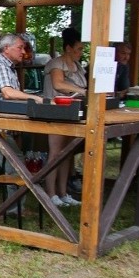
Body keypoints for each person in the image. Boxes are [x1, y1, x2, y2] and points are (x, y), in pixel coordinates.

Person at [0, 34, 44, 213]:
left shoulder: (7, 67)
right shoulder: (0, 66)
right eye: (19, 47)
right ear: (6, 48)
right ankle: (14, 209)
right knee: (17, 164)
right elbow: (8, 93)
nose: (23, 51)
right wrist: (36, 98)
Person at [43, 27, 87, 208]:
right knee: (55, 153)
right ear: (68, 48)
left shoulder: (78, 67)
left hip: (72, 113)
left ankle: (63, 193)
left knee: (67, 154)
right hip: (56, 113)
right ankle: (50, 194)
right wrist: (83, 91)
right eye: (78, 48)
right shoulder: (56, 64)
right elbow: (58, 84)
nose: (80, 52)